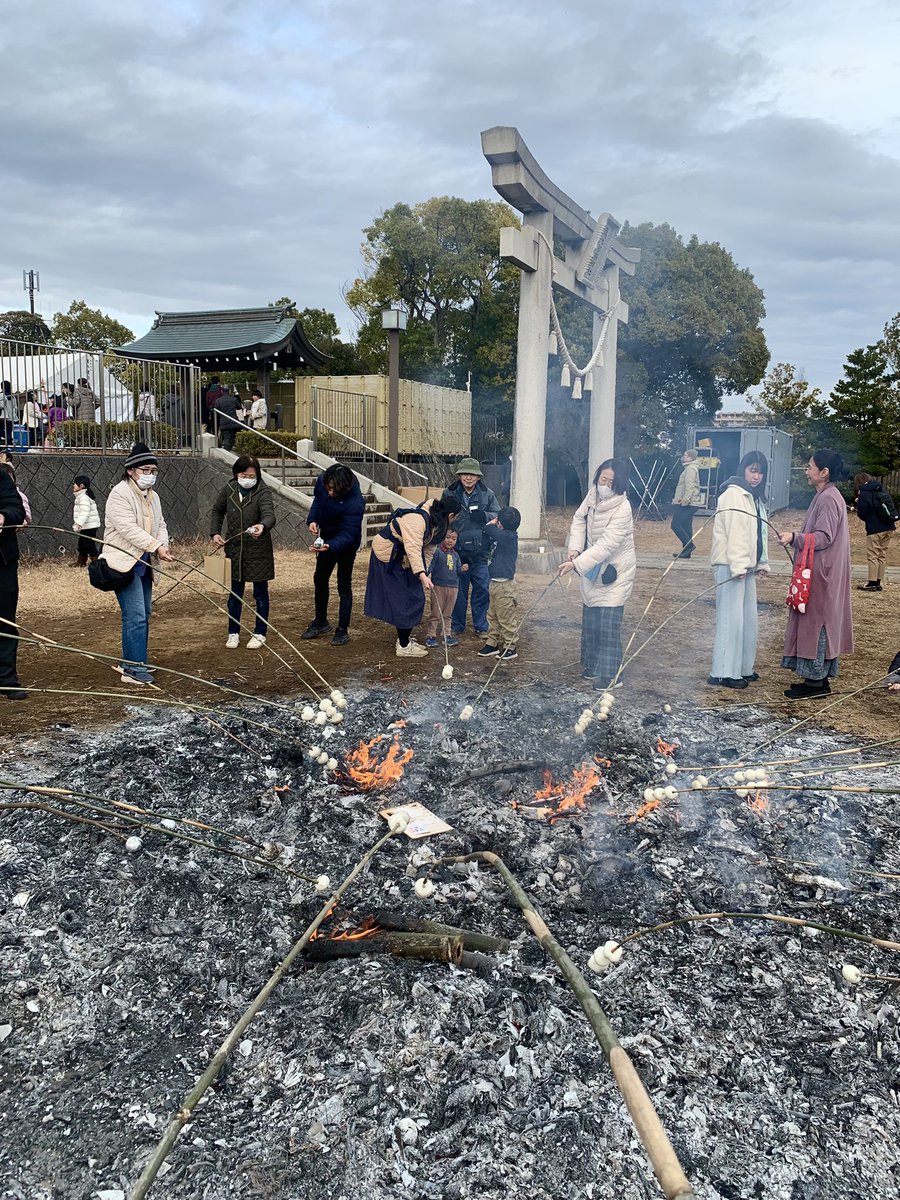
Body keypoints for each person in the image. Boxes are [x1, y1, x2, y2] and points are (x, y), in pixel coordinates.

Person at [778, 449, 854, 701]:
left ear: (824, 473)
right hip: (821, 570)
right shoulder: (825, 496)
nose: (806, 471)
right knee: (816, 621)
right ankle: (814, 679)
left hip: (823, 574)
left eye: (810, 466)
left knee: (818, 623)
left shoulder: (829, 498)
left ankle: (816, 682)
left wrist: (795, 538)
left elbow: (824, 536)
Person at [101, 443, 174, 685]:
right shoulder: (119, 494)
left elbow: (160, 524)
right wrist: (156, 545)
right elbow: (127, 529)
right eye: (146, 470)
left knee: (145, 612)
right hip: (123, 563)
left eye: (154, 471)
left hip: (146, 564)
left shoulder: (154, 497)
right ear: (131, 470)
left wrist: (161, 545)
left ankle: (136, 661)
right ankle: (132, 669)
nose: (150, 475)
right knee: (134, 615)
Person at [560, 458, 636, 689]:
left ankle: (612, 675)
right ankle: (593, 665)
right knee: (591, 616)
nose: (606, 484)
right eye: (603, 479)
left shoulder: (623, 508)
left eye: (611, 481)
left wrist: (576, 564)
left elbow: (607, 544)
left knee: (608, 621)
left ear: (620, 483)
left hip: (616, 569)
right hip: (593, 566)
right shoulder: (593, 495)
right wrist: (575, 548)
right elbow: (578, 518)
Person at [364, 494, 461, 657]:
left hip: (405, 557)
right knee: (404, 597)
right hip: (388, 555)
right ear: (451, 515)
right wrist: (421, 574)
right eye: (456, 517)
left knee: (414, 596)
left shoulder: (439, 524)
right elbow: (414, 548)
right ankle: (403, 645)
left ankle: (405, 639)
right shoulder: (418, 520)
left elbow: (429, 550)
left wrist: (426, 572)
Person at [707, 452, 770, 690]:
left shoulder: (754, 497)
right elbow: (735, 534)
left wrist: (761, 562)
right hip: (731, 564)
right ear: (743, 469)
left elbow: (757, 534)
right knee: (730, 619)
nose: (756, 476)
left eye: (760, 471)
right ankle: (722, 671)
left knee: (747, 620)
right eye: (752, 470)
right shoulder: (734, 494)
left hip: (746, 564)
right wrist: (738, 565)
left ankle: (743, 667)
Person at [210, 454, 276, 649]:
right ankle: (233, 632)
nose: (247, 479)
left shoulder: (263, 492)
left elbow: (269, 515)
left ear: (257, 475)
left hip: (258, 550)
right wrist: (215, 533)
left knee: (260, 592)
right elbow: (217, 510)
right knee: (235, 593)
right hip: (235, 549)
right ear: (236, 474)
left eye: (251, 475)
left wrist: (262, 526)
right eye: (243, 474)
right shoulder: (229, 488)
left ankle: (260, 632)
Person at [302, 463, 364, 646]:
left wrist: (330, 545)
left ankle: (342, 630)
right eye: (329, 488)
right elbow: (318, 501)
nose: (330, 493)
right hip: (327, 538)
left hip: (346, 545)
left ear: (344, 488)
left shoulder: (355, 502)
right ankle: (321, 621)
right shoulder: (322, 481)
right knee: (320, 579)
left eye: (335, 491)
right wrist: (312, 519)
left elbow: (348, 533)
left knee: (343, 585)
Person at [444, 457, 499, 637]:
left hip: (480, 551)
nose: (468, 478)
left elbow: (498, 515)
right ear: (459, 476)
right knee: (458, 590)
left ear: (478, 477)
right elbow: (441, 515)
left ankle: (481, 625)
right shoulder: (449, 493)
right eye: (465, 474)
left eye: (472, 475)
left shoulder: (487, 493)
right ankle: (457, 625)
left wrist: (483, 515)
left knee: (482, 587)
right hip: (456, 551)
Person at [477, 506, 521, 662]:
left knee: (506, 618)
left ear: (501, 523)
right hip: (495, 582)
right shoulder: (503, 535)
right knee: (493, 615)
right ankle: (492, 643)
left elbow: (489, 530)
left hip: (505, 586)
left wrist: (491, 524)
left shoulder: (509, 537)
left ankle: (510, 646)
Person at [0, 464, 27, 700]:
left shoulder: (1, 477)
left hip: (3, 561)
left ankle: (7, 679)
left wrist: (4, 516)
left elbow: (16, 509)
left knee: (6, 621)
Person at [853, 472, 896, 592]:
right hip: (889, 526)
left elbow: (862, 513)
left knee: (873, 555)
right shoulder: (879, 488)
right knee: (882, 554)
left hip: (875, 528)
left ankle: (872, 582)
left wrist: (859, 502)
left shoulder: (864, 493)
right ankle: (878, 581)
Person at [424, 527, 464, 648]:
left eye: (454, 539)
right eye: (447, 537)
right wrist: (425, 576)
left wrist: (462, 569)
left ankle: (447, 635)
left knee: (448, 613)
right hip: (438, 587)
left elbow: (458, 570)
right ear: (442, 537)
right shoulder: (437, 552)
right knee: (436, 612)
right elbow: (430, 567)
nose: (450, 541)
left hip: (453, 587)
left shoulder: (456, 555)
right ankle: (431, 635)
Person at [671, 449, 701, 559]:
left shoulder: (690, 469)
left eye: (685, 455)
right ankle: (686, 552)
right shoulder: (690, 468)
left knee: (675, 525)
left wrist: (684, 501)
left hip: (688, 503)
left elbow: (689, 486)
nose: (683, 457)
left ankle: (689, 546)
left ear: (690, 457)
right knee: (686, 526)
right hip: (690, 502)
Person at [72, 474, 101, 567]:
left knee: (89, 545)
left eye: (75, 484)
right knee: (82, 544)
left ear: (81, 486)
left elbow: (84, 512)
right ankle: (81, 562)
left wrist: (78, 524)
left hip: (89, 526)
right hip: (87, 525)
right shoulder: (82, 496)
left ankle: (96, 563)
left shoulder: (84, 498)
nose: (73, 485)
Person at [213, 387, 242, 453]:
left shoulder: (218, 400)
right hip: (233, 420)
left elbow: (216, 410)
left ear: (222, 391)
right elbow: (239, 407)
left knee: (226, 437)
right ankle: (230, 450)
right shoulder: (233, 399)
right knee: (232, 436)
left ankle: (226, 451)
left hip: (223, 421)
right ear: (229, 391)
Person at [1, 382, 17, 448]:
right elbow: (15, 407)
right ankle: (9, 446)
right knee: (9, 432)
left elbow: (1, 405)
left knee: (2, 431)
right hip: (11, 417)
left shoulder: (2, 395)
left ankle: (3, 446)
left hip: (3, 417)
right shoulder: (13, 396)